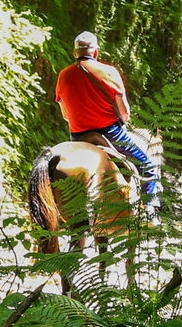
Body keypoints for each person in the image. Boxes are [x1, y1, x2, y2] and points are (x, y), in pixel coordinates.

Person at [54, 31, 160, 214]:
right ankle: (149, 210)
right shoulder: (109, 72)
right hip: (111, 135)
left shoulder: (63, 76)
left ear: (74, 53)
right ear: (96, 52)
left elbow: (65, 115)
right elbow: (124, 113)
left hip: (78, 138)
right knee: (148, 166)